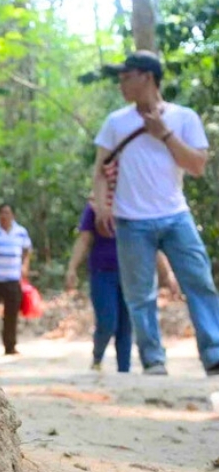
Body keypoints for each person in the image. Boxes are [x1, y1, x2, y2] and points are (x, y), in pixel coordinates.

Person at [93, 51, 219, 376]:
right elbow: (100, 168)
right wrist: (102, 204)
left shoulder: (184, 117)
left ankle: (214, 353)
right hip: (130, 220)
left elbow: (198, 166)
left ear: (147, 76)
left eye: (126, 76)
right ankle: (153, 360)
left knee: (199, 283)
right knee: (139, 295)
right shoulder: (115, 121)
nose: (121, 84)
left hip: (176, 215)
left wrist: (164, 133)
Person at [66, 199, 132, 372]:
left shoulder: (134, 203)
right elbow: (84, 239)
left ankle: (124, 370)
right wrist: (72, 267)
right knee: (107, 321)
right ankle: (97, 357)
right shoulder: (95, 206)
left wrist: (166, 272)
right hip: (102, 272)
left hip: (130, 273)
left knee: (126, 325)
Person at [0, 203, 31, 355]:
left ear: (13, 215)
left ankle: (10, 346)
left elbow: (27, 250)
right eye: (2, 213)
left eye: (7, 213)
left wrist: (24, 266)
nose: (4, 216)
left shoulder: (21, 232)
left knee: (11, 315)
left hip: (12, 278)